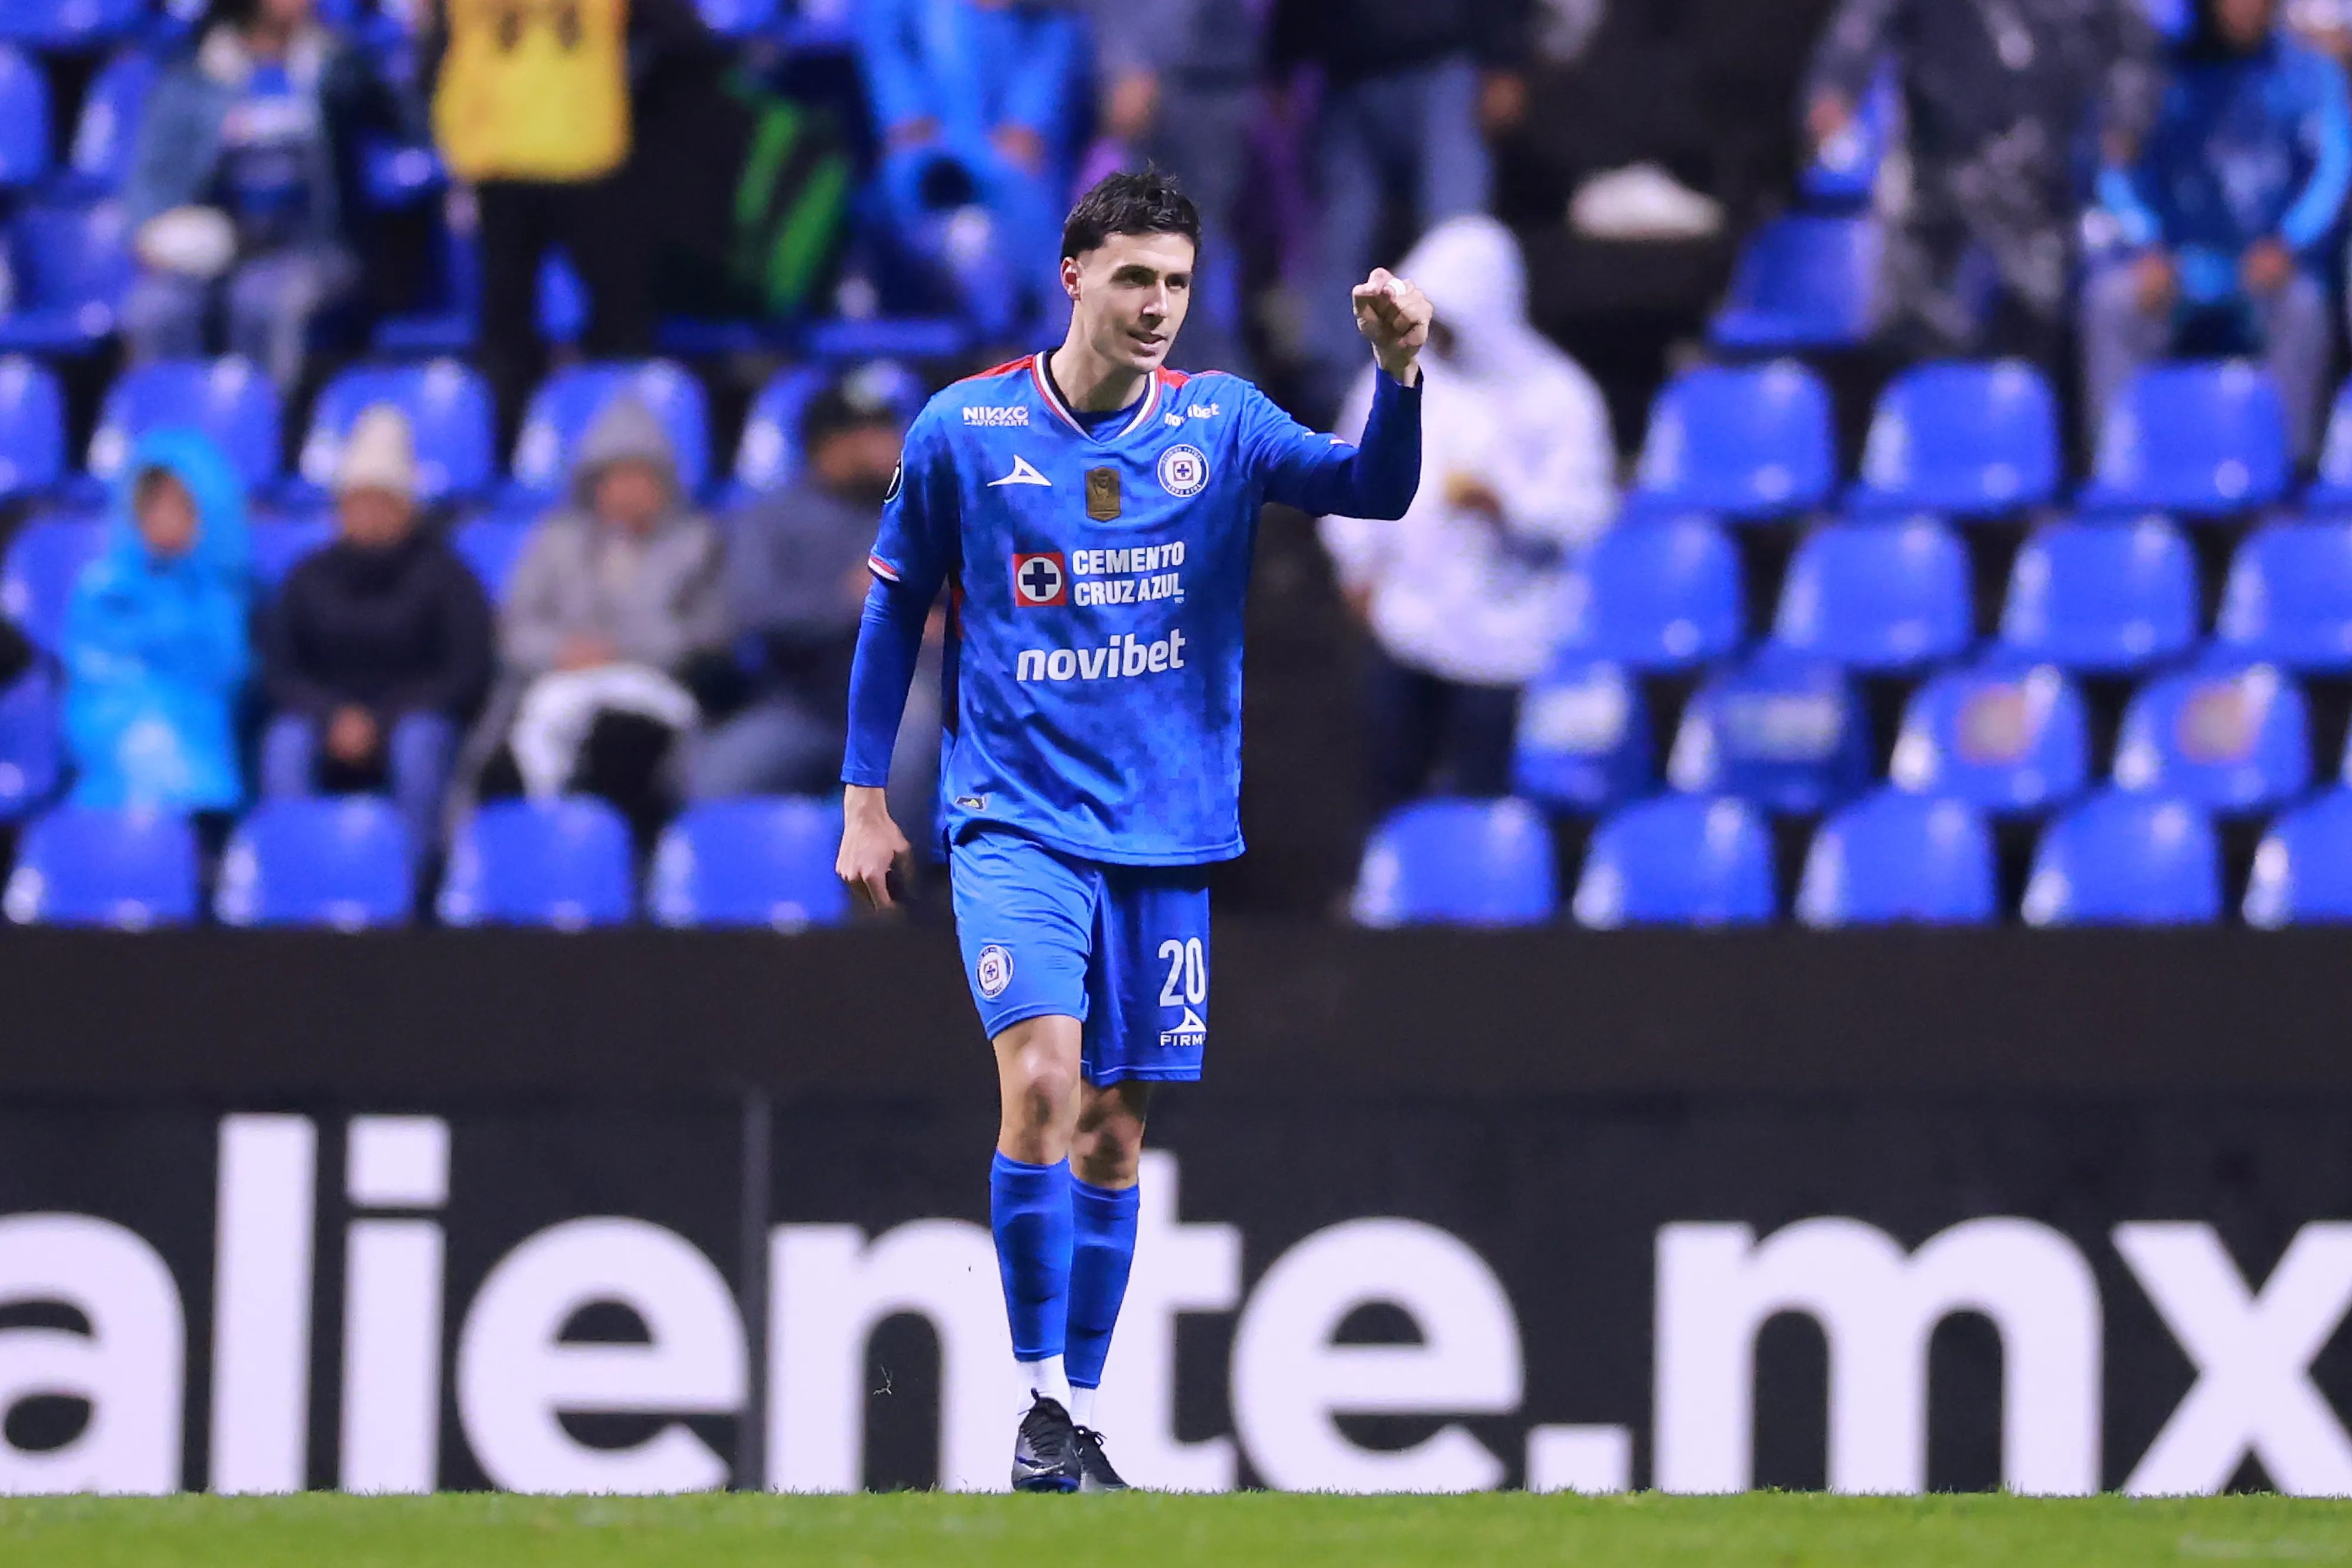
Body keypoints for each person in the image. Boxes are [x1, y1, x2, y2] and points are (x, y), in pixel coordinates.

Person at [834, 168, 1428, 1492]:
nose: (1158, 307)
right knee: (1041, 1085)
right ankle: (1040, 1407)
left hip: (1166, 836)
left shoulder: (1217, 424)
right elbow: (894, 610)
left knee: (1110, 1130)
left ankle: (1074, 1426)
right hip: (1013, 823)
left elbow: (1370, 492)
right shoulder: (963, 430)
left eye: (1174, 282)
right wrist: (866, 794)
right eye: (1132, 280)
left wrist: (1395, 378)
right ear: (1073, 277)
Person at [1321, 214, 1615, 824]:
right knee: (1387, 799)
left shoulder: (1558, 395)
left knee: (1484, 807)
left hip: (1508, 643)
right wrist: (1357, 566)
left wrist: (1508, 507)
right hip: (1406, 625)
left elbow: (1588, 515)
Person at [1808, 0, 2161, 365]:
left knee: (2037, 341)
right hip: (1936, 188)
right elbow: (1858, 32)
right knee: (1916, 344)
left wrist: (2123, 124)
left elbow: (2132, 53)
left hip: (2047, 192)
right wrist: (1836, 93)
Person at [2084, 0, 2352, 459]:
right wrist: (2146, 243)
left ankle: (2288, 473)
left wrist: (2290, 241)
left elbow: (2333, 170)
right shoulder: (2158, 73)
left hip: (2263, 268)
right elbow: (2115, 170)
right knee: (2110, 303)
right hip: (2179, 268)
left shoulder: (2309, 74)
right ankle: (2118, 472)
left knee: (2303, 307)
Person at [463, 396, 729, 838]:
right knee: (506, 762)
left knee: (622, 746)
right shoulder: (556, 541)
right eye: (616, 477)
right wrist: (563, 651)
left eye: (641, 476)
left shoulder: (697, 544)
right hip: (556, 682)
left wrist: (618, 651)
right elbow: (515, 628)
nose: (628, 490)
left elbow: (707, 635)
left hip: (653, 689)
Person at [1272, 0, 1529, 419]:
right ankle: (1333, 403)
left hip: (1446, 60)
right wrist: (1281, 62)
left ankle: (1470, 389)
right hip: (1347, 71)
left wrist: (1505, 60)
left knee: (1455, 242)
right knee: (1339, 247)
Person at [123, 0, 395, 391]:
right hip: (216, 246)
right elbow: (150, 177)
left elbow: (395, 120)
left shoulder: (336, 66)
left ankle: (260, 435)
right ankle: (172, 434)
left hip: (312, 247)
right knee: (158, 309)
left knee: (261, 302)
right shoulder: (199, 75)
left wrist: (334, 61)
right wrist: (154, 231)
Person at [260, 406, 495, 848]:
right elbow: (280, 668)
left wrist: (382, 720)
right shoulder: (307, 577)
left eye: (380, 502)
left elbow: (465, 670)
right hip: (324, 718)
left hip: (411, 717)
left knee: (419, 744)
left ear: (408, 508)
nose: (367, 516)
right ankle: (290, 871)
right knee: (285, 743)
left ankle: (413, 882)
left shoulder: (448, 577)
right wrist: (332, 716)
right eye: (356, 503)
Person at [690, 380, 904, 801]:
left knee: (908, 761)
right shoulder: (770, 520)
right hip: (803, 701)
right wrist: (848, 603)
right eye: (867, 434)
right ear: (827, 445)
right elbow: (757, 610)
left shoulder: (921, 511)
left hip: (903, 703)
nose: (886, 445)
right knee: (713, 781)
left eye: (887, 430)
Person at [857, 0, 1088, 342]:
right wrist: (904, 114)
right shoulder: (903, 14)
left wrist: (1028, 122)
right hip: (927, 180)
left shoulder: (1049, 23)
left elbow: (1045, 79)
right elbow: (887, 55)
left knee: (1049, 255)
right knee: (958, 236)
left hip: (1021, 188)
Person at [62, 430, 253, 813]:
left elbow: (226, 671)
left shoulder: (224, 595)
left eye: (179, 505)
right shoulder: (105, 587)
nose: (164, 518)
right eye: (153, 504)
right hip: (115, 729)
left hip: (199, 734)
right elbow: (91, 668)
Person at [1084, 0, 1271, 379]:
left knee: (1185, 253)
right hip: (1161, 80)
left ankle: (1221, 403)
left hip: (1193, 88)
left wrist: (1138, 62)